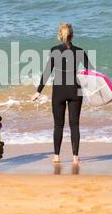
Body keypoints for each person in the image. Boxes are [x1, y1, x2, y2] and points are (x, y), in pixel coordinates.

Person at [31, 23, 93, 165]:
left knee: (58, 125)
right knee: (74, 125)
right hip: (75, 90)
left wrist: (38, 92)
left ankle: (56, 156)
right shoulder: (80, 51)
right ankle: (75, 158)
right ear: (72, 35)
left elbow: (47, 72)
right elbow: (91, 72)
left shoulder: (54, 50)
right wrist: (97, 90)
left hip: (59, 91)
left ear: (60, 35)